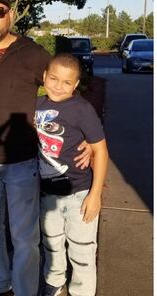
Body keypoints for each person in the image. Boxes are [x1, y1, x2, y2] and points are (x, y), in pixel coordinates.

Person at [0, 0, 92, 296]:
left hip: (22, 163)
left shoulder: (33, 54)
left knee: (24, 236)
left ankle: (24, 290)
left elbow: (67, 90)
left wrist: (85, 136)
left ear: (11, 14)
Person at [36, 53, 108, 296]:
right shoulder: (36, 106)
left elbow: (100, 150)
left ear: (76, 84)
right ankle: (55, 282)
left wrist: (95, 194)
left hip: (79, 194)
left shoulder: (82, 109)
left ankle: (82, 291)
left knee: (82, 250)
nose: (58, 86)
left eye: (67, 82)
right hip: (47, 194)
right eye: (54, 78)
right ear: (44, 77)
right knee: (52, 244)